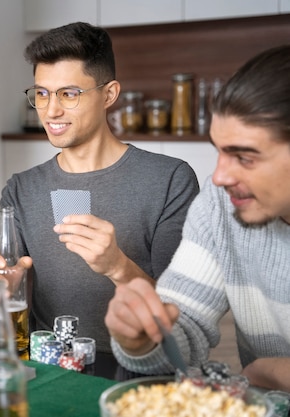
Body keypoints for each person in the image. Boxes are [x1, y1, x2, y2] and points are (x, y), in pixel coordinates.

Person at [0, 22, 199, 353]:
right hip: (52, 371)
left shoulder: (169, 180)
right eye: (42, 93)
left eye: (69, 94)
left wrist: (117, 265)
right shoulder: (22, 188)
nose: (51, 110)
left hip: (141, 368)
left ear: (109, 94)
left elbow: (183, 315)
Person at [104, 45, 290, 391]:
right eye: (219, 151)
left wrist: (278, 373)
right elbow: (183, 321)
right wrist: (142, 338)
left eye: (245, 157)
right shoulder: (222, 204)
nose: (219, 176)